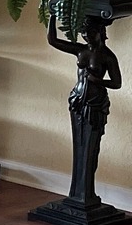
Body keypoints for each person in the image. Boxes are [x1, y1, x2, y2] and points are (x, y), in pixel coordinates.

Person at [48, 13, 121, 205]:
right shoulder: (80, 51)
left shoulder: (107, 57)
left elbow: (117, 83)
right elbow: (53, 40)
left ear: (100, 33)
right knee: (78, 144)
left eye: (90, 32)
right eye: (84, 33)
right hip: (78, 101)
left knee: (90, 147)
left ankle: (86, 195)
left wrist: (98, 80)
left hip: (95, 103)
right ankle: (77, 194)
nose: (86, 36)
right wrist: (52, 16)